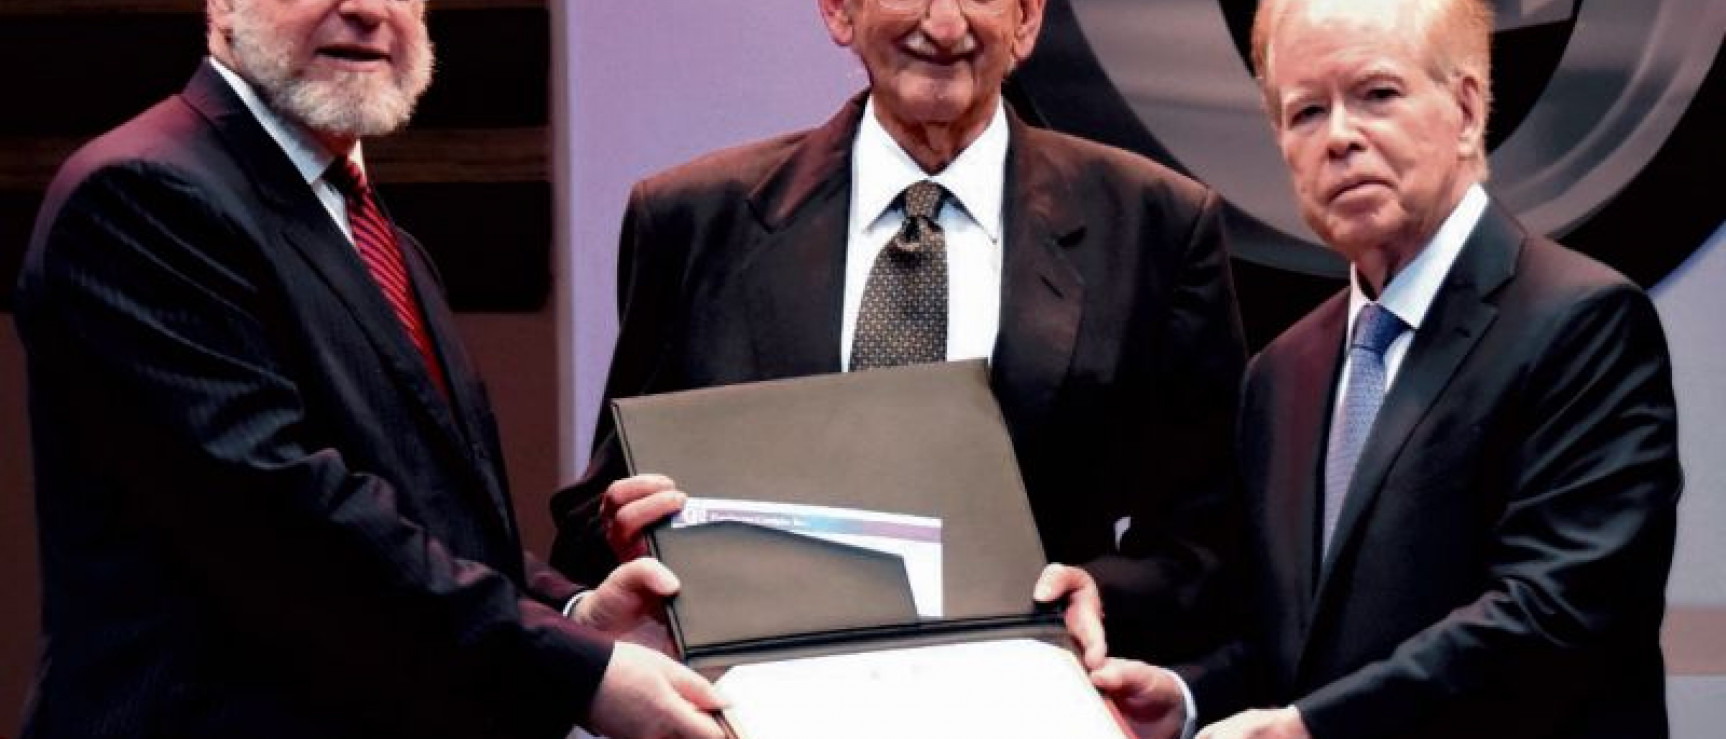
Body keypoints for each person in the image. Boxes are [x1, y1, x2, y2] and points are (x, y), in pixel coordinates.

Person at [15, 1, 726, 737]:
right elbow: (288, 528)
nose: (363, 8)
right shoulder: (141, 197)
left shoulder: (372, 230)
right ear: (222, 4)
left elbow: (427, 516)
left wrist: (574, 613)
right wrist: (580, 670)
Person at [1045, 0, 1684, 737]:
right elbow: (1292, 646)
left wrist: (1313, 728)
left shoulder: (1583, 322)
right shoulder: (1280, 373)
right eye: (1306, 111)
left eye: (1376, 94)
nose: (1340, 137)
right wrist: (1186, 699)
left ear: (1467, 109)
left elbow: (1556, 613)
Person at [549, 0, 1247, 669]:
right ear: (837, 10)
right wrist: (624, 533)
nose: (943, 25)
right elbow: (596, 510)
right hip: (773, 709)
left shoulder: (1155, 225)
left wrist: (1104, 593)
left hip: (1032, 702)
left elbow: (1209, 535)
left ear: (1027, 18)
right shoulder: (694, 222)